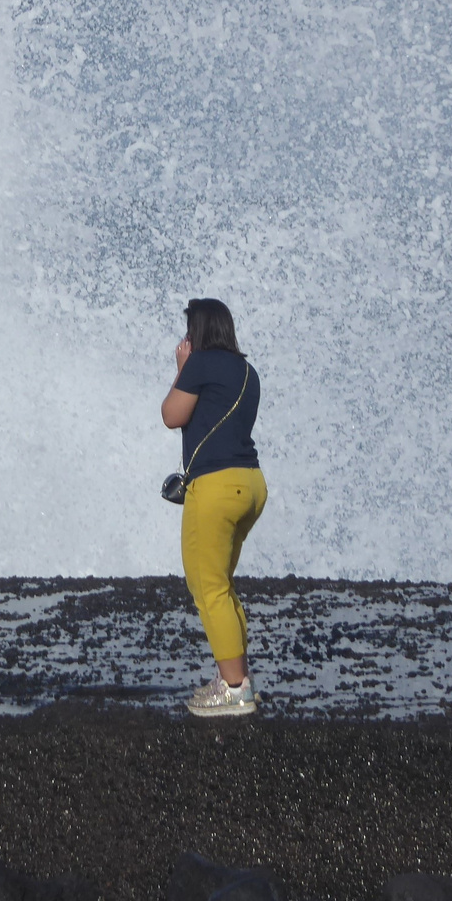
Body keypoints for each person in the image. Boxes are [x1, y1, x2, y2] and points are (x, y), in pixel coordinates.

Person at [161, 297, 267, 716]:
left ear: (199, 332)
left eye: (189, 332)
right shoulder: (248, 371)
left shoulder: (201, 365)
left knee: (208, 588)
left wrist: (183, 367)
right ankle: (239, 678)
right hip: (251, 484)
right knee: (222, 583)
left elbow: (171, 415)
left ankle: (235, 688)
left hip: (216, 487)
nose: (185, 339)